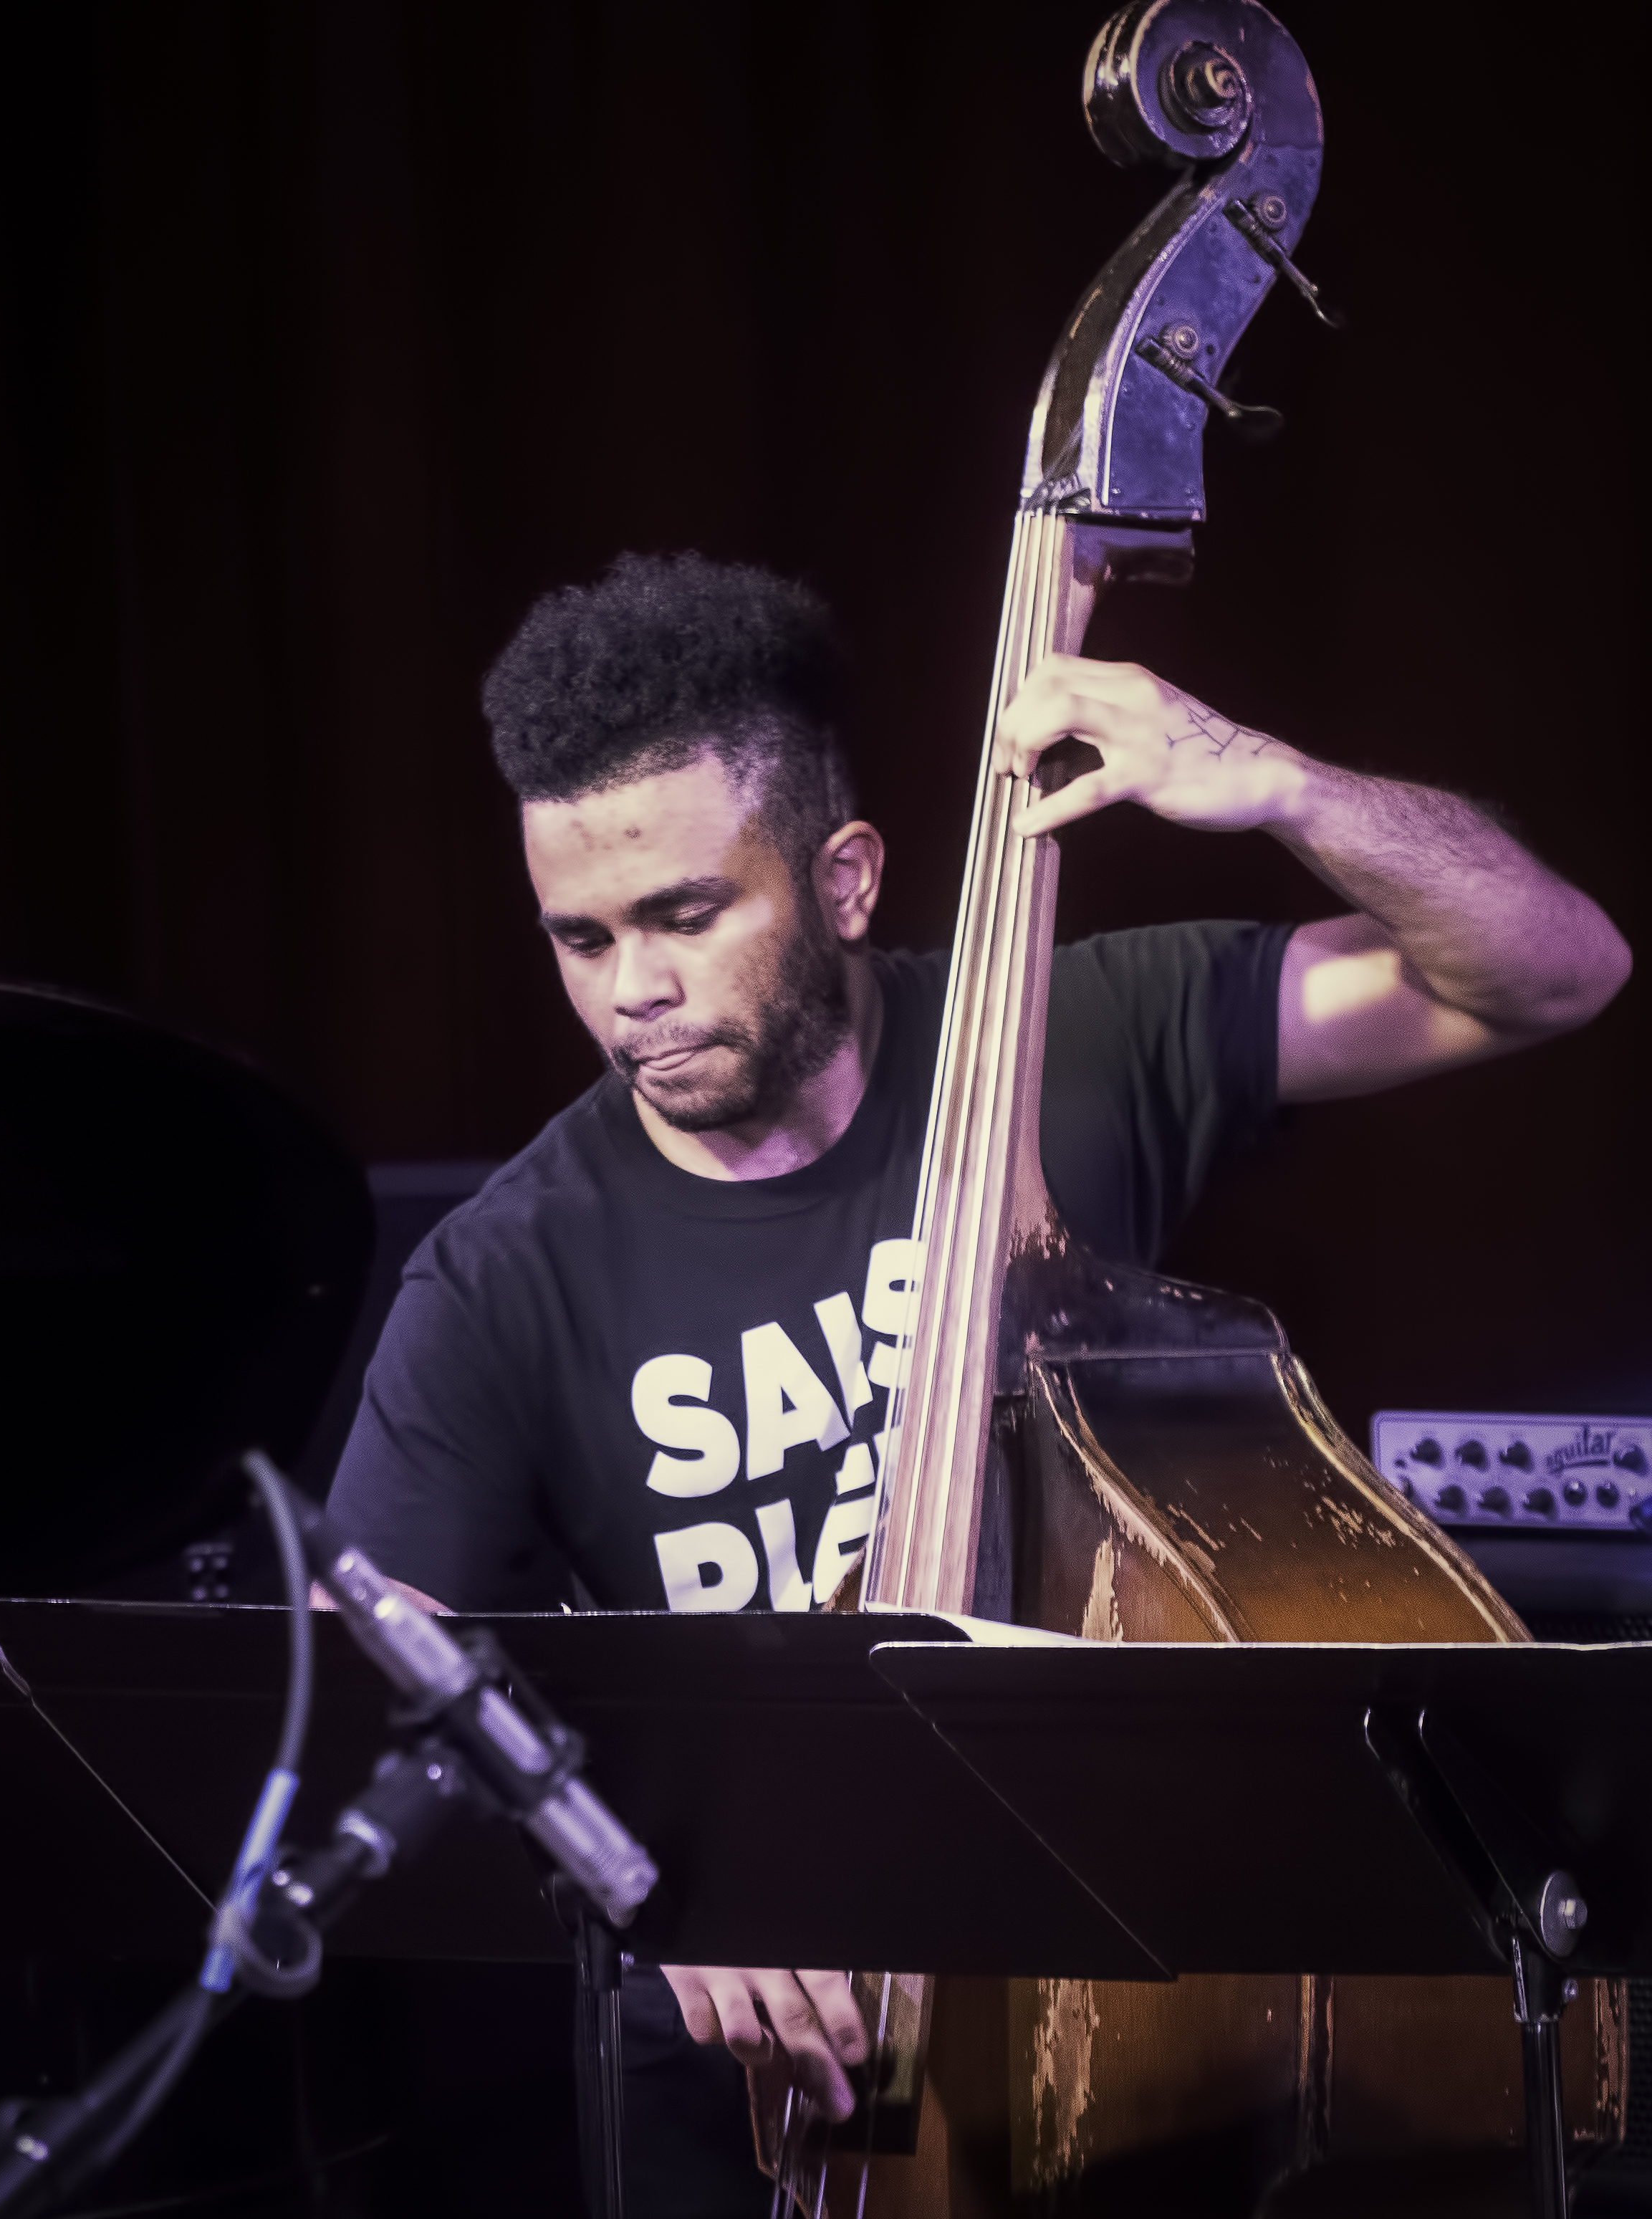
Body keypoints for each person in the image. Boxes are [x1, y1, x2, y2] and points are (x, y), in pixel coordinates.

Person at [327, 551, 1629, 2212]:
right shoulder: (505, 1273)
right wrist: (640, 1862)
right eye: (578, 938)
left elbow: (1550, 970)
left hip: (1129, 1997)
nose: (629, 992)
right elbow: (370, 1681)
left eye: (684, 913)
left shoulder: (1070, 1035)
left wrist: (1278, 785)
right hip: (759, 2068)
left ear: (846, 876)